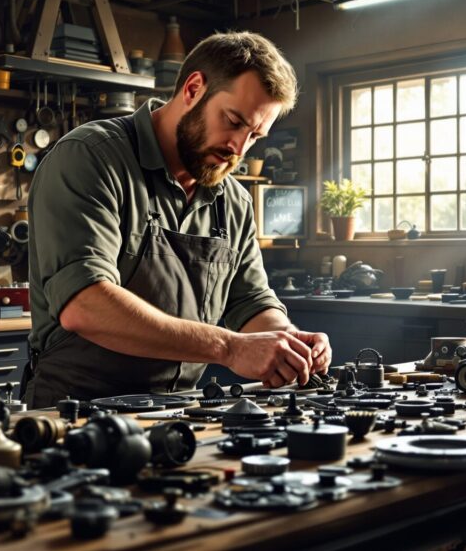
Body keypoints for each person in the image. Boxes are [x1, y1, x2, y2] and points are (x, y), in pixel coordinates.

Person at [21, 31, 331, 408]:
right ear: (193, 89)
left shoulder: (232, 199)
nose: (238, 148)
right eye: (233, 121)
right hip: (76, 410)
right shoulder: (90, 158)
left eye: (254, 136)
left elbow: (248, 300)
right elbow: (85, 304)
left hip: (177, 413)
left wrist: (288, 342)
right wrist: (229, 347)